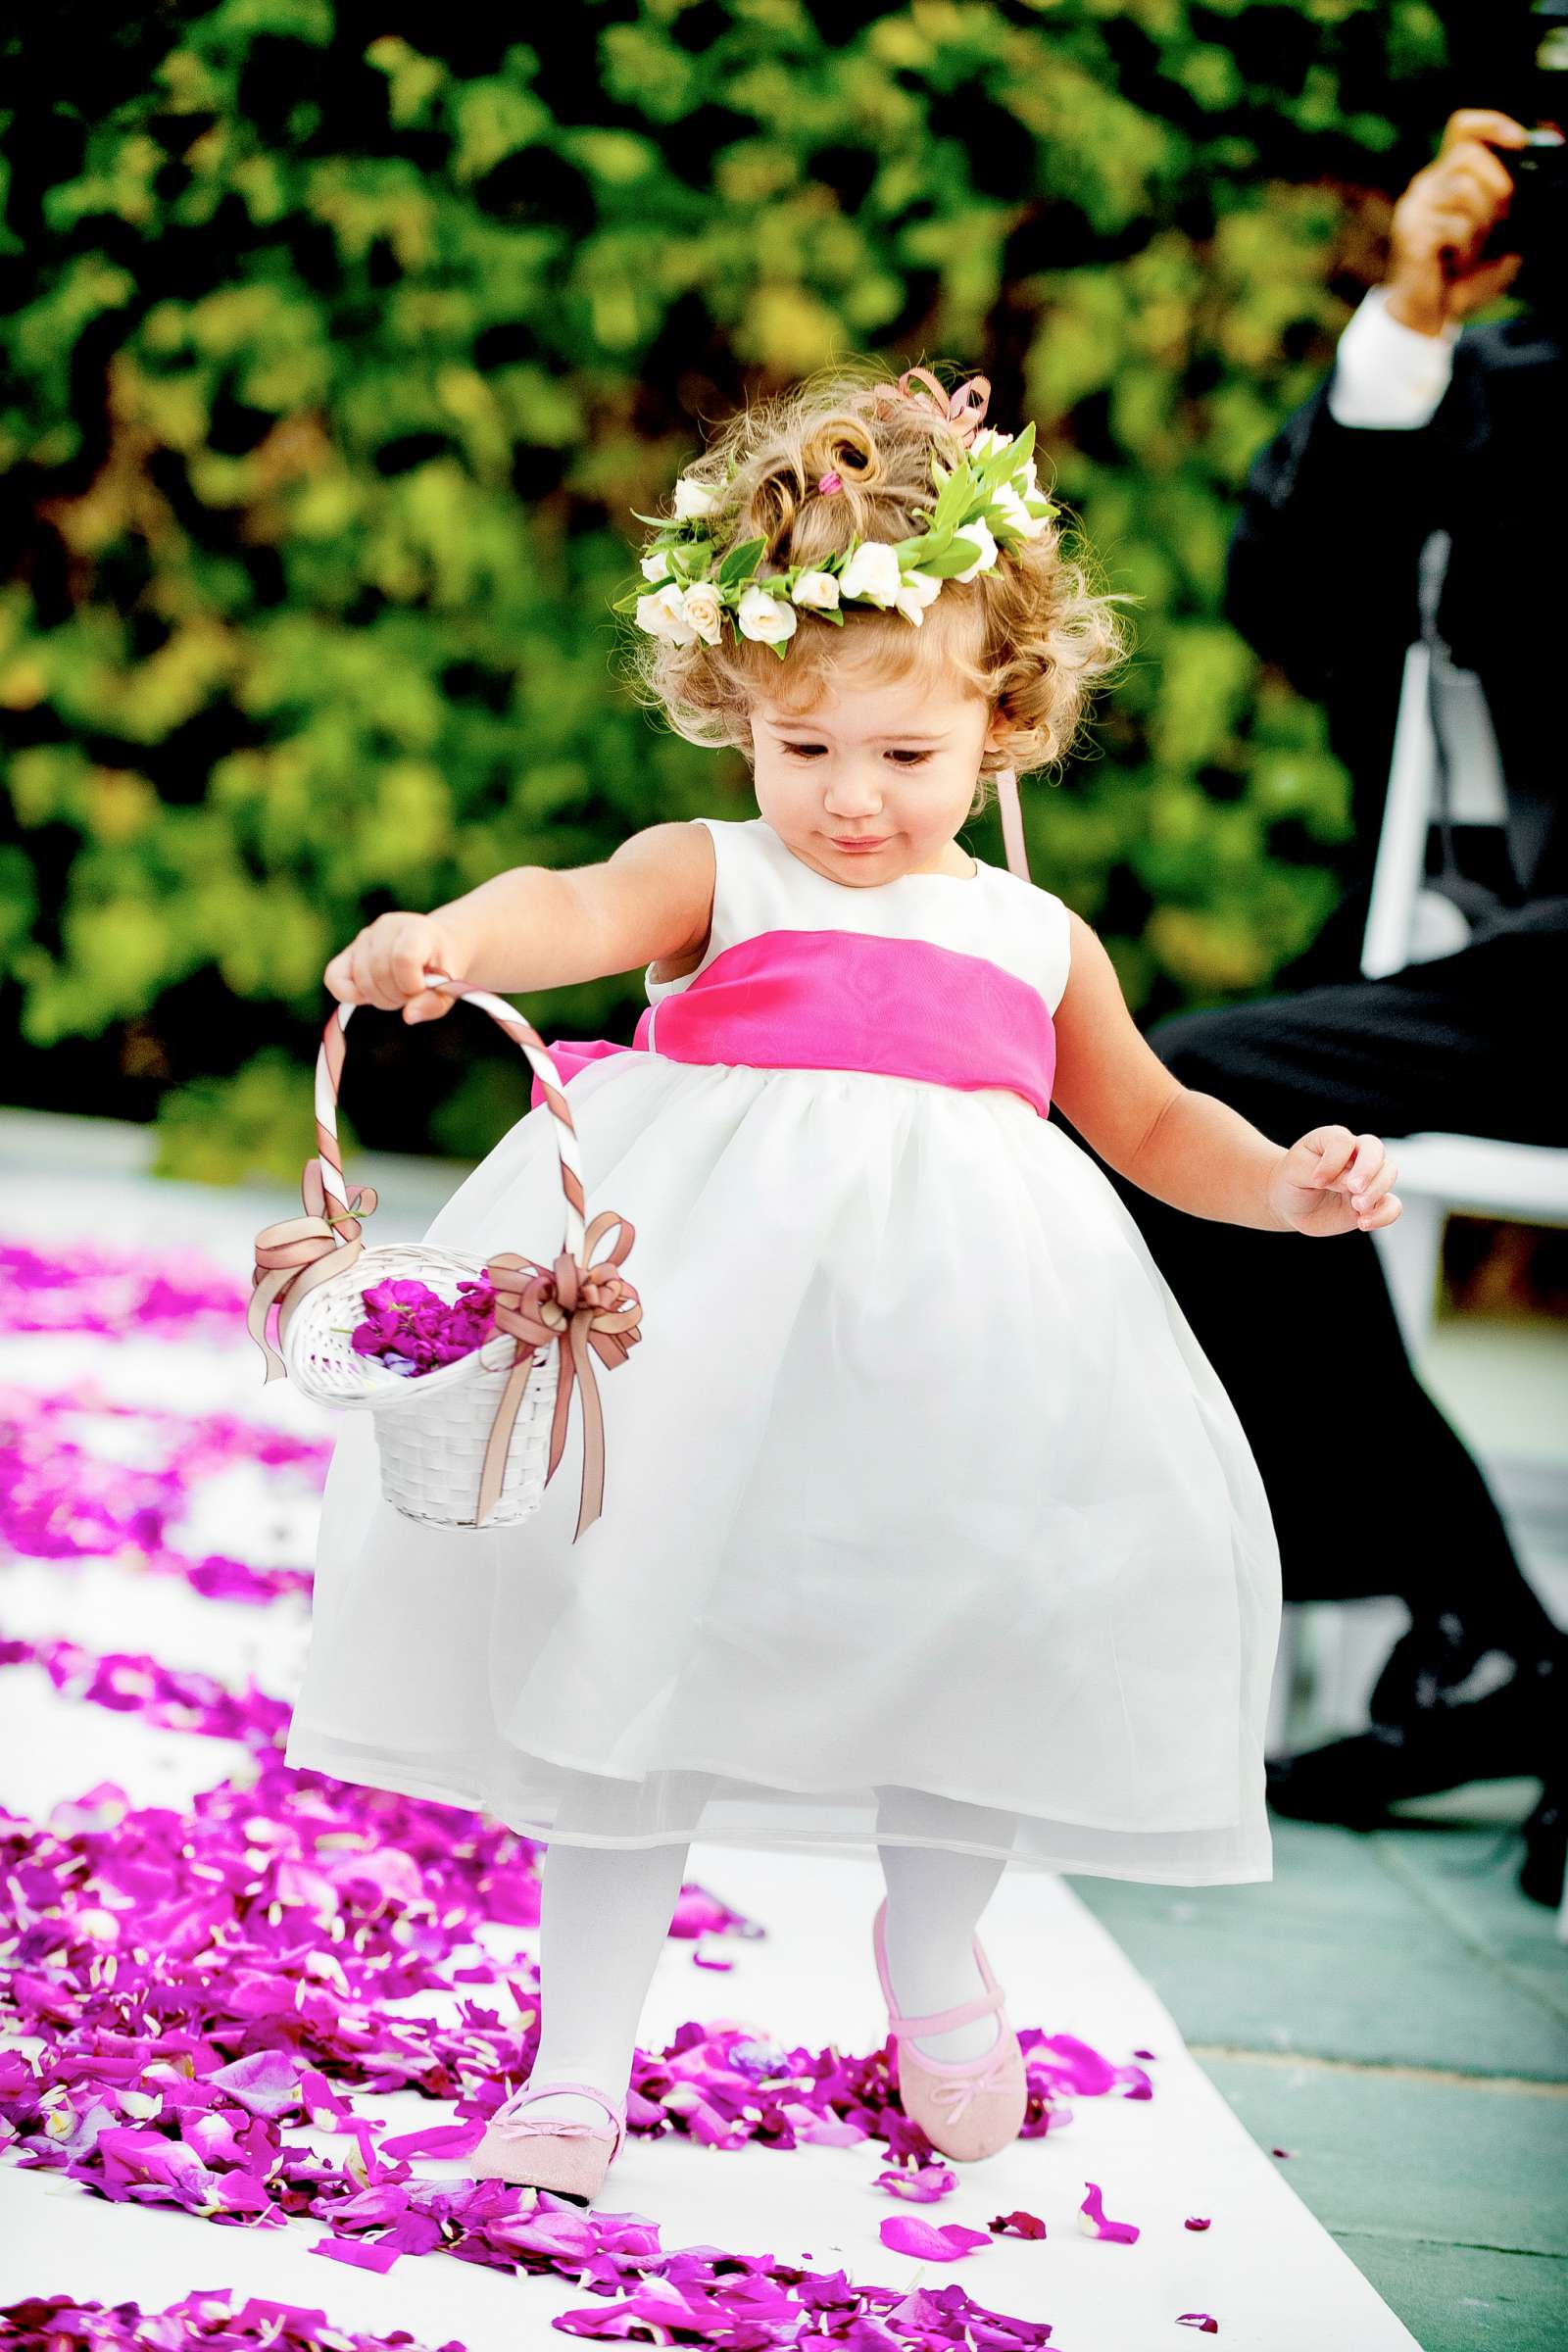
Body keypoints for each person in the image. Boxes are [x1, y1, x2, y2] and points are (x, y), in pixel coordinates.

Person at [269, 362, 1400, 2207]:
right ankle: (575, 2056)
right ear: (737, 710)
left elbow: (1155, 1121)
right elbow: (563, 906)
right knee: (632, 1647)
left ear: (1003, 724)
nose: (852, 801)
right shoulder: (716, 872)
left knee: (970, 1641)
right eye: (805, 751)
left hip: (969, 1364)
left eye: (905, 755)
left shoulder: (1032, 935)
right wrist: (450, 941)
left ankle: (938, 1955)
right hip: (703, 1350)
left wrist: (1283, 1183)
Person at [1080, 109, 1568, 1900]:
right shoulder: (1510, 379)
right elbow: (1292, 590)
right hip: (1516, 976)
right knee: (1189, 1097)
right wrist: (1415, 325)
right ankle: (1483, 1620)